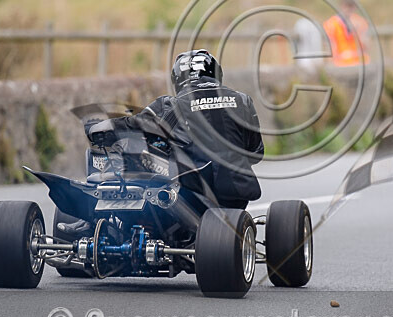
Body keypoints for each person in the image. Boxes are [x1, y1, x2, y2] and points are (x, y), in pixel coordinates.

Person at [89, 49, 265, 210]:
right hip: (238, 194)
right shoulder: (243, 101)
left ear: (178, 79)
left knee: (130, 148)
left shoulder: (172, 105)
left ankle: (104, 202)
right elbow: (256, 153)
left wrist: (105, 128)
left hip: (194, 196)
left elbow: (136, 125)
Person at [323, 0, 370, 67]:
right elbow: (329, 49)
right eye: (347, 6)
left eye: (351, 6)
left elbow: (366, 47)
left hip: (360, 64)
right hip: (339, 65)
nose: (349, 9)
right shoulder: (331, 24)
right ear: (341, 6)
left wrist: (357, 32)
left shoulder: (361, 22)